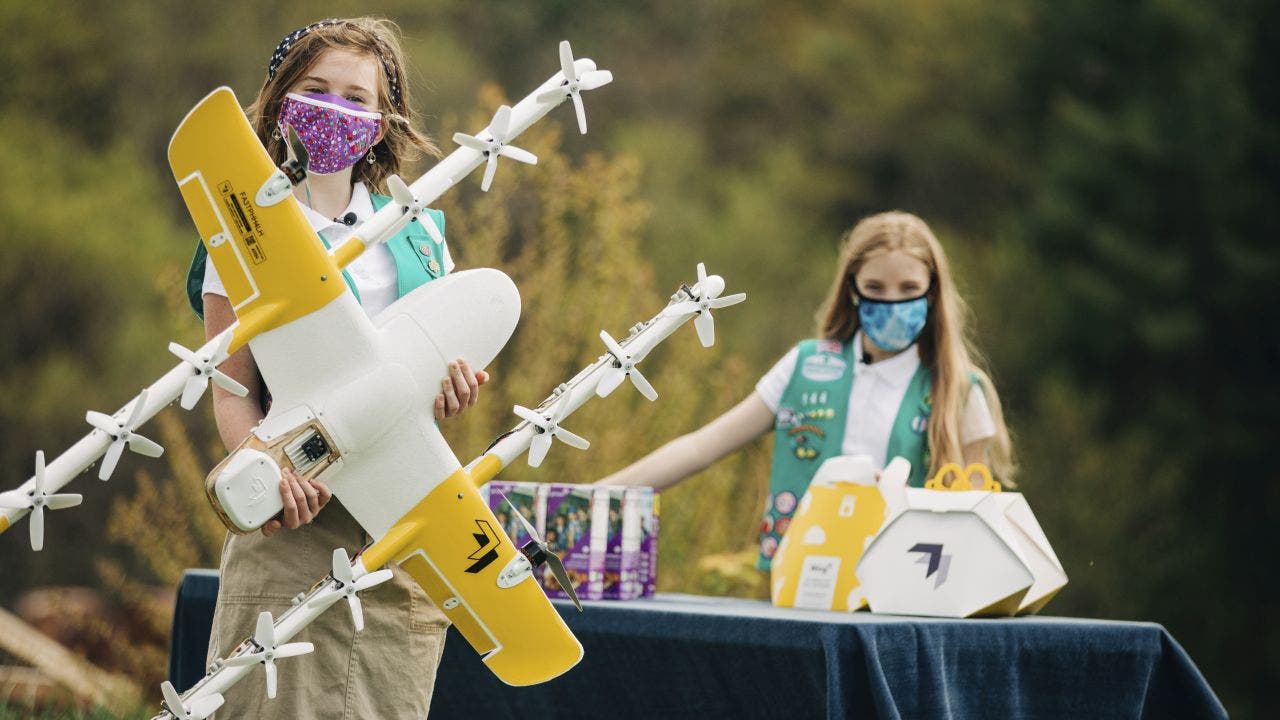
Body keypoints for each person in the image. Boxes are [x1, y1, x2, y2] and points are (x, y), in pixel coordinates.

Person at [185, 17, 485, 717]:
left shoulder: (419, 229)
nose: (335, 110)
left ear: (383, 121)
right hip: (293, 524)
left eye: (356, 98)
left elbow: (430, 370)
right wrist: (265, 473)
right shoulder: (243, 230)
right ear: (280, 101)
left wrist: (454, 388)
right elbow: (232, 390)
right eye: (315, 90)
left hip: (398, 525)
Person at [598, 211, 1013, 569]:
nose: (892, 302)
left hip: (904, 597)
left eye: (908, 290)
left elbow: (974, 521)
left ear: (932, 291)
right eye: (875, 288)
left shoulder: (960, 390)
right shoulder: (806, 366)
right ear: (852, 289)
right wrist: (591, 497)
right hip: (803, 586)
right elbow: (701, 447)